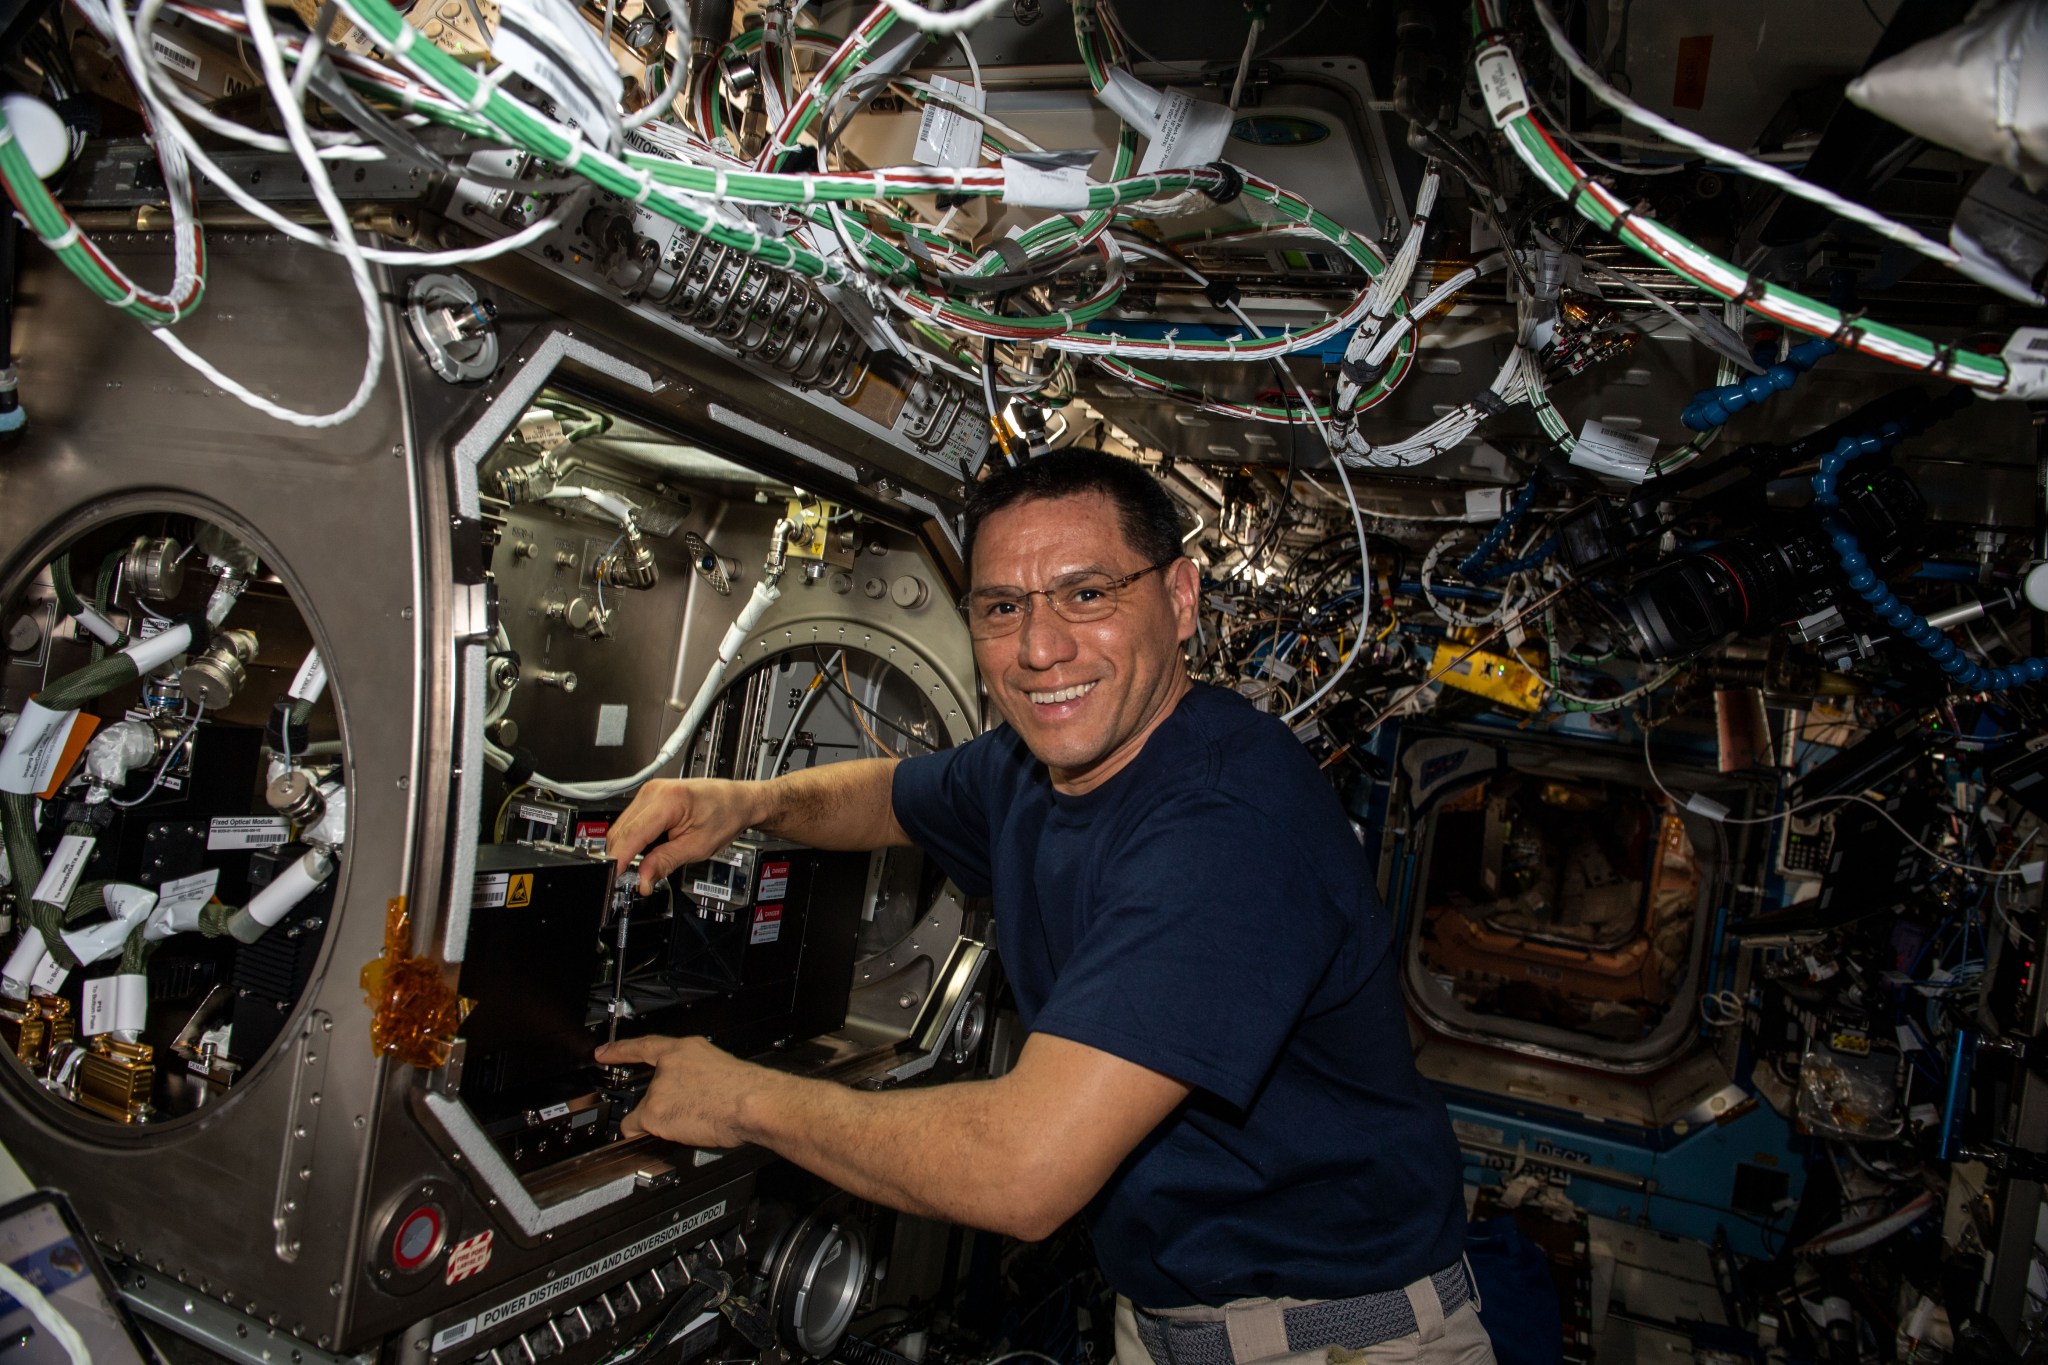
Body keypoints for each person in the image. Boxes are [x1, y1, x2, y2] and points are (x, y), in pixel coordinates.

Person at [599, 450, 1492, 1365]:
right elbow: (893, 795)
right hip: (1170, 1323)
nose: (1039, 648)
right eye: (1001, 607)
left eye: (1087, 593)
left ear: (1181, 599)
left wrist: (738, 1098)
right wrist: (746, 803)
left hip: (1338, 1341)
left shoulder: (1229, 824)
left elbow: (1022, 1171)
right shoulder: (1035, 766)